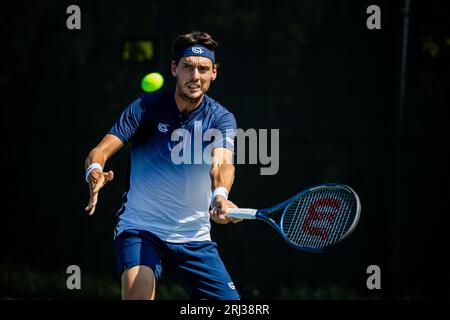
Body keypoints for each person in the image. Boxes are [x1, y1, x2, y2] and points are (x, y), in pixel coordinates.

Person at [84, 31, 242, 300]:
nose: (195, 76)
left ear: (214, 73)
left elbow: (222, 165)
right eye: (188, 67)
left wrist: (220, 196)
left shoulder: (221, 118)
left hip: (195, 238)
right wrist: (94, 171)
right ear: (174, 69)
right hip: (142, 229)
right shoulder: (145, 108)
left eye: (203, 69)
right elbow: (99, 151)